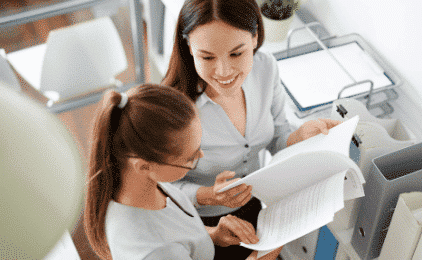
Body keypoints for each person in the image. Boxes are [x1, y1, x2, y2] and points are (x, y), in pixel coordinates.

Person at [161, 0, 341, 258]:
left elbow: (278, 137)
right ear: (189, 47)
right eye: (207, 57)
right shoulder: (172, 108)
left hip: (255, 208)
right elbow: (160, 190)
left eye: (236, 53)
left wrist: (299, 136)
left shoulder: (266, 68)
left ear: (255, 38)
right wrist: (208, 195)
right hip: (197, 224)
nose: (224, 71)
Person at [83, 84, 282, 260]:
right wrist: (267, 250)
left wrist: (212, 235)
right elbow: (168, 243)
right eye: (190, 159)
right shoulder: (155, 251)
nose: (201, 156)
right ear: (144, 166)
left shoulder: (138, 184)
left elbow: (173, 230)